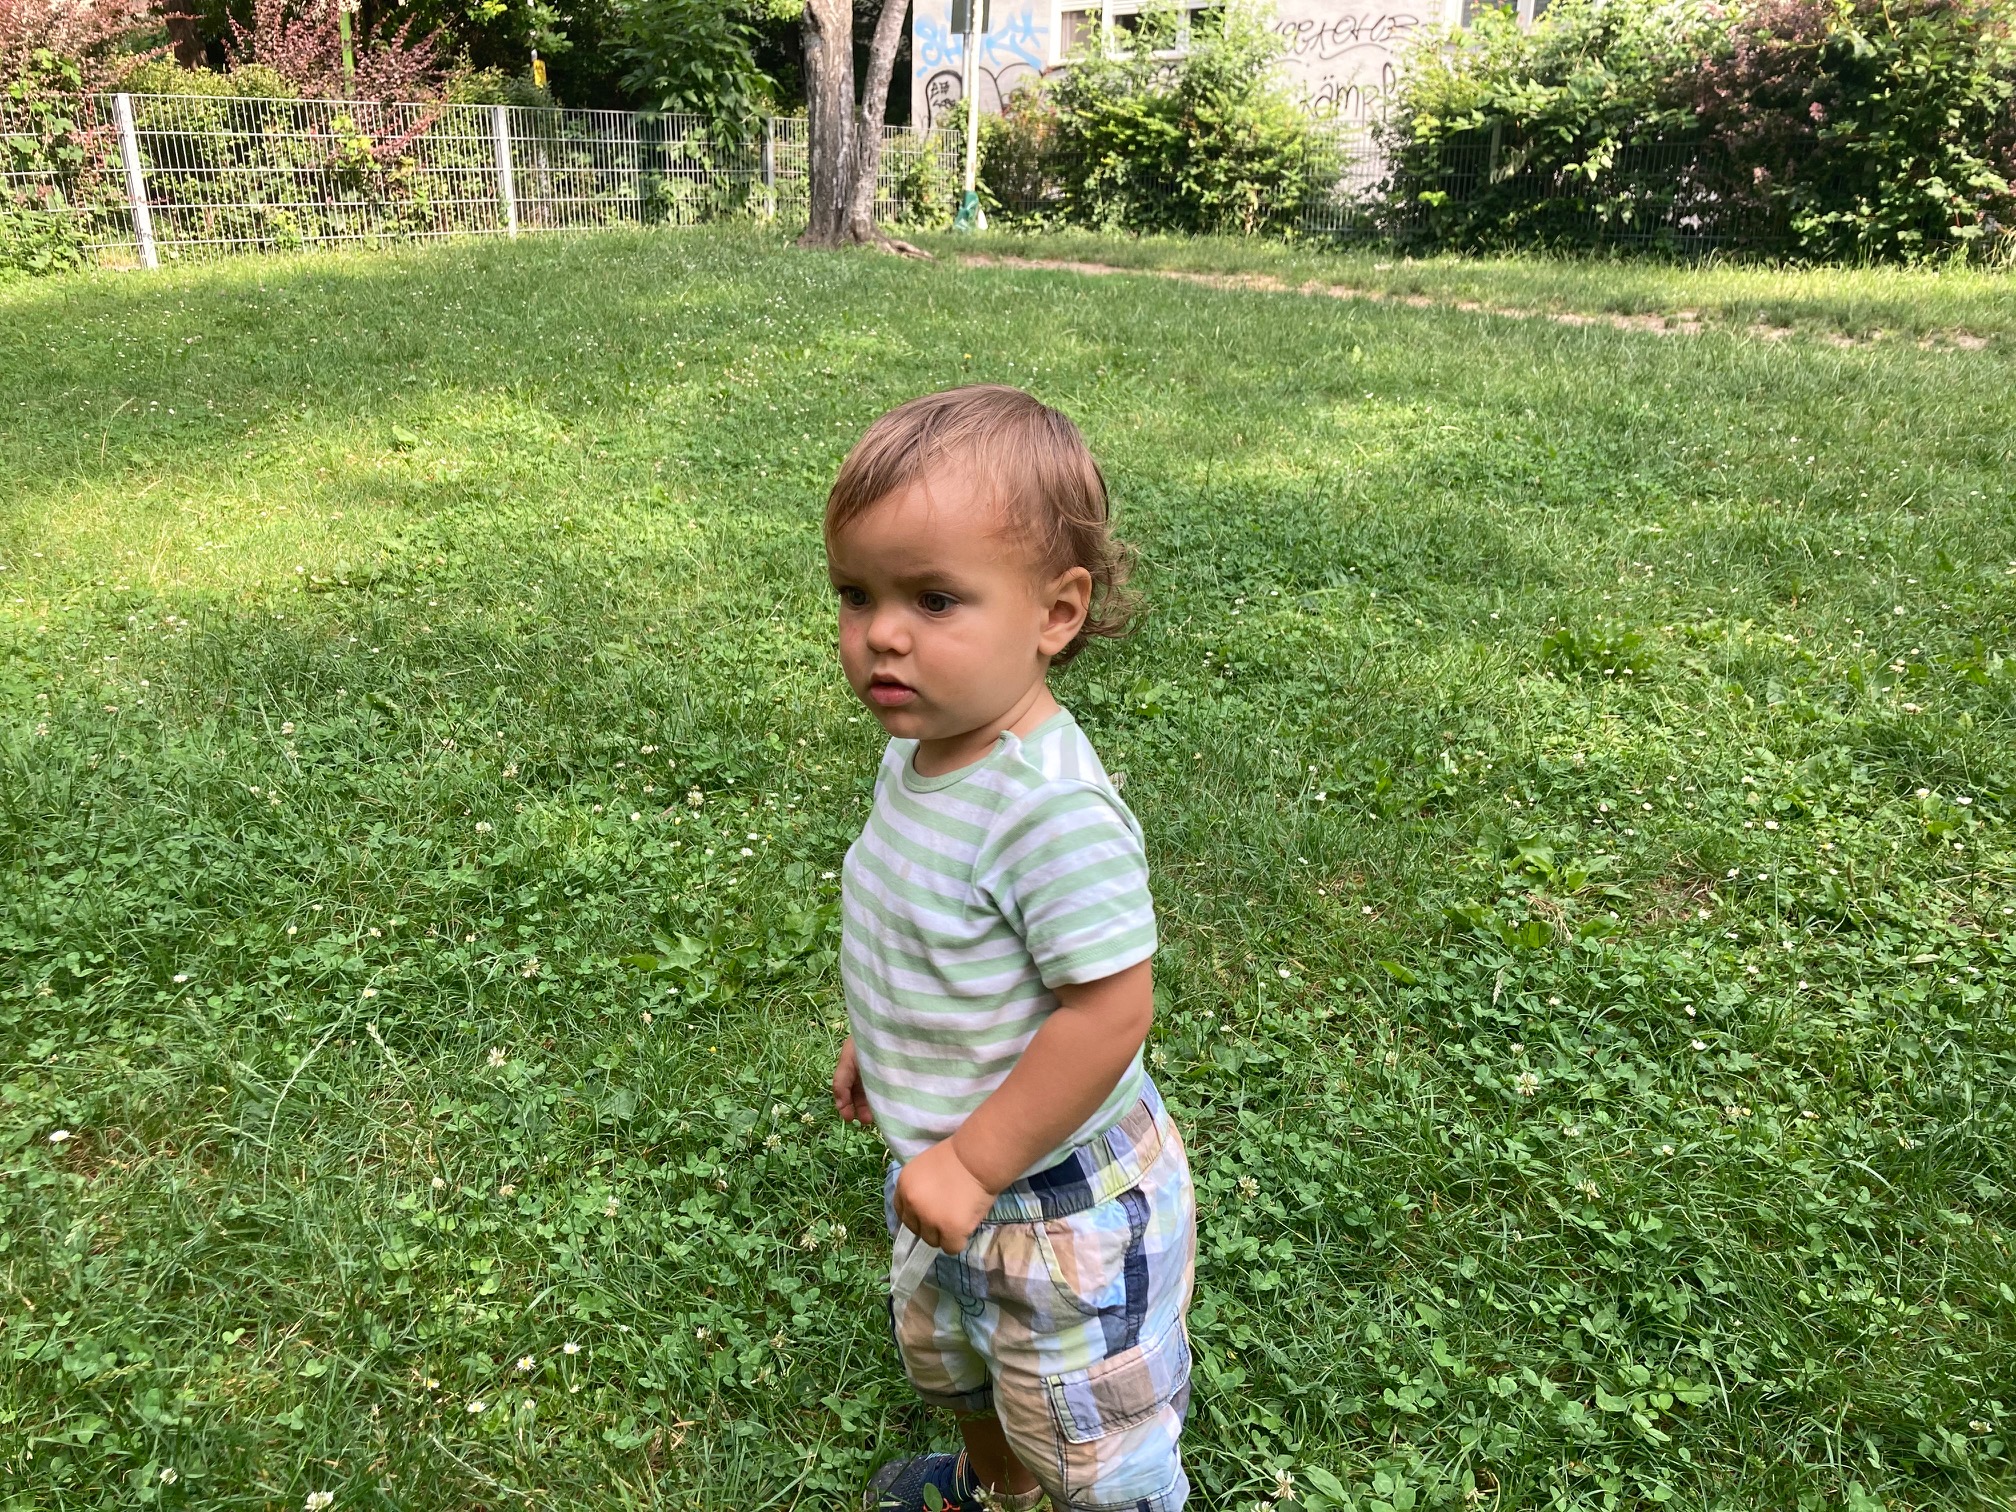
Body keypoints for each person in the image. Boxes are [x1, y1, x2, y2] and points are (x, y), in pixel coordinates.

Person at [825, 386, 1197, 1512]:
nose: (884, 634)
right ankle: (994, 1491)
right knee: (955, 1367)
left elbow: (1110, 1012)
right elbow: (928, 931)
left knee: (1086, 1438)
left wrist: (975, 1163)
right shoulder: (924, 750)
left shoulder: (1049, 808)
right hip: (947, 1167)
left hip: (1055, 1206)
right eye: (857, 594)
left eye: (935, 598)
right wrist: (884, 1039)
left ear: (1057, 612)